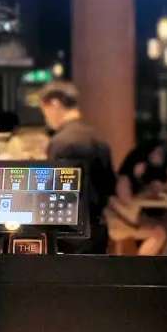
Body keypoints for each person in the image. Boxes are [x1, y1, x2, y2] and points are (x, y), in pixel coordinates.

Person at [39, 82, 115, 253]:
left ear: (55, 104)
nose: (46, 119)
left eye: (45, 112)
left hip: (68, 235)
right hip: (97, 230)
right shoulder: (98, 138)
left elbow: (55, 194)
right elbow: (110, 186)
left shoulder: (61, 141)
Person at [106, 146, 167, 256]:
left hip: (129, 221)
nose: (142, 169)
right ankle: (140, 262)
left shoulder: (137, 182)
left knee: (166, 227)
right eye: (140, 165)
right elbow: (129, 204)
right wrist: (145, 195)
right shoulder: (124, 180)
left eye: (144, 166)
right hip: (120, 224)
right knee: (160, 233)